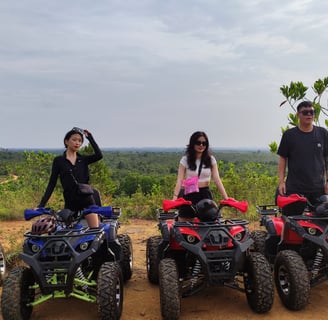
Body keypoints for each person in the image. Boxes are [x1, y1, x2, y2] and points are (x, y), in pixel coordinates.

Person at [38, 127, 103, 228]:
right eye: (74, 140)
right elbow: (52, 183)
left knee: (95, 231)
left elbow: (99, 155)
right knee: (67, 234)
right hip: (70, 201)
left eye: (80, 141)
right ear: (66, 141)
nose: (77, 143)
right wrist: (41, 205)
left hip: (87, 200)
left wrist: (89, 137)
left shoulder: (83, 159)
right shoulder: (59, 161)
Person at [277, 101, 328, 215]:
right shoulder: (289, 135)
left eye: (312, 112)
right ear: (298, 115)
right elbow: (282, 159)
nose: (309, 115)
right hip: (295, 188)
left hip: (318, 189)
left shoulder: (322, 133)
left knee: (320, 224)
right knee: (290, 221)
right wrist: (281, 182)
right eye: (305, 112)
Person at [173, 131, 228, 220]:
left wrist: (226, 198)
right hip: (190, 194)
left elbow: (217, 180)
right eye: (198, 142)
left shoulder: (211, 159)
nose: (201, 145)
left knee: (210, 223)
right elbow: (179, 180)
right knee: (184, 223)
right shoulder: (185, 159)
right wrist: (174, 198)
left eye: (204, 143)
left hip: (205, 194)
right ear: (192, 143)